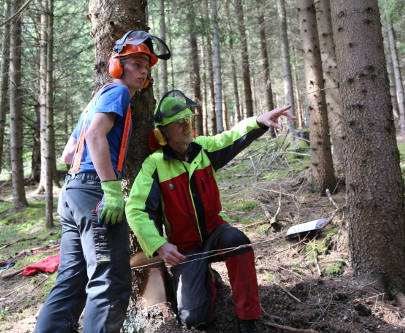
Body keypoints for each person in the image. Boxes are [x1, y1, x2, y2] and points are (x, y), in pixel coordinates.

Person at [125, 90, 296, 333]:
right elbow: (136, 209)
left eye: (188, 120)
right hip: (185, 248)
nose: (187, 126)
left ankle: (248, 319)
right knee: (196, 320)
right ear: (162, 133)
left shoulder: (203, 148)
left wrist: (258, 121)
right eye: (179, 122)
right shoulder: (154, 164)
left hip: (216, 233)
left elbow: (231, 137)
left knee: (239, 242)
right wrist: (159, 245)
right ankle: (204, 277)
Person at [34, 30, 170, 333]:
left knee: (72, 279)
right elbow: (95, 136)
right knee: (110, 282)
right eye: (135, 63)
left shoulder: (95, 100)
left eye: (146, 66)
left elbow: (69, 154)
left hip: (72, 193)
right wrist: (109, 188)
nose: (143, 70)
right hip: (93, 191)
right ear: (117, 65)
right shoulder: (118, 92)